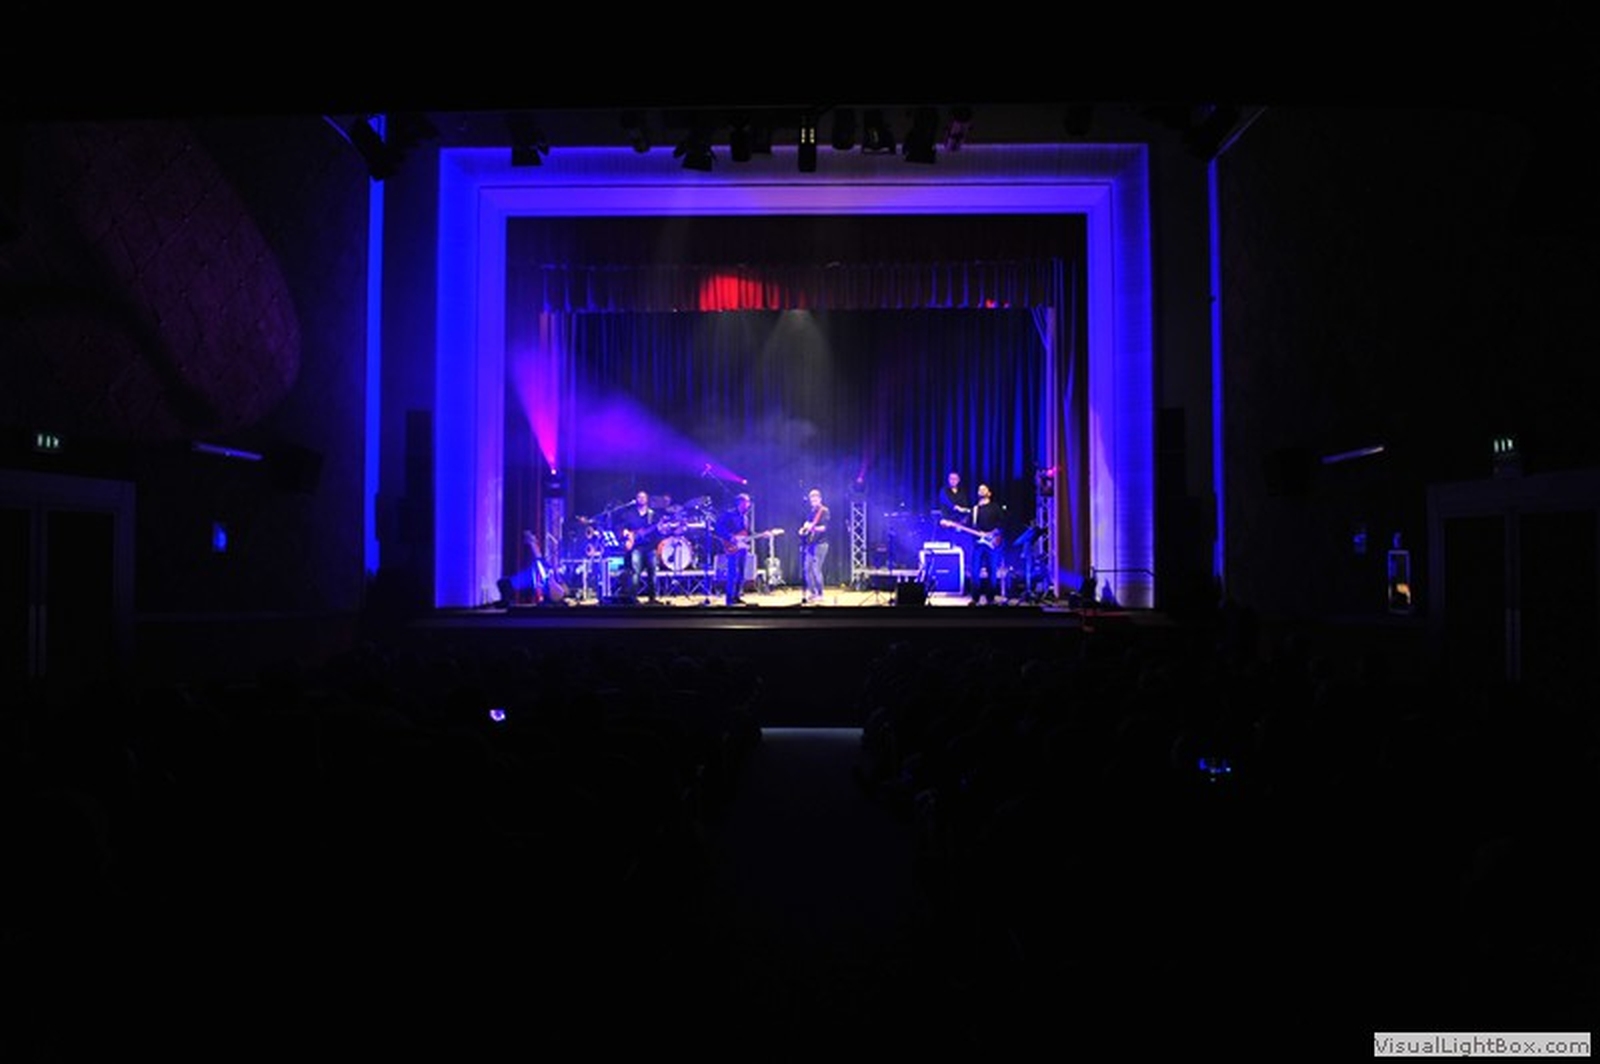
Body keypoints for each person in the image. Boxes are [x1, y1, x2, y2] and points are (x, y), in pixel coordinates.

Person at [496, 530, 568, 607]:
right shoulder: (546, 574)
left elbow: (538, 557)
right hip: (543, 585)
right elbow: (538, 557)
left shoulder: (547, 575)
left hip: (547, 587)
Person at [617, 489, 660, 602]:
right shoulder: (629, 514)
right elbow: (622, 527)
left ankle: (652, 599)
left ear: (647, 499)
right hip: (636, 548)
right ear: (636, 499)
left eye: (643, 497)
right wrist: (626, 532)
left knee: (652, 573)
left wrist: (662, 528)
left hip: (650, 547)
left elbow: (658, 531)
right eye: (639, 497)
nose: (641, 499)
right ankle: (633, 598)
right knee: (635, 573)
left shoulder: (652, 514)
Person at [968, 482, 1004, 605]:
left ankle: (991, 599)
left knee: (992, 571)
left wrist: (992, 533)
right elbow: (969, 525)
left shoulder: (995, 507)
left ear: (989, 493)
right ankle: (975, 598)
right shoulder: (974, 509)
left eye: (984, 489)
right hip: (977, 543)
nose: (981, 490)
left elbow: (1002, 523)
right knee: (974, 571)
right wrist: (955, 526)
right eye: (979, 489)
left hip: (992, 543)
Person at [715, 492, 754, 605]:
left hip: (742, 548)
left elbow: (747, 533)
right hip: (732, 547)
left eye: (748, 502)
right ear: (740, 503)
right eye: (746, 502)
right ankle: (729, 598)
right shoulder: (729, 514)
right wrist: (730, 537)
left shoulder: (745, 518)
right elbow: (719, 527)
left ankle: (737, 596)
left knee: (741, 573)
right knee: (732, 573)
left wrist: (762, 534)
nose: (748, 504)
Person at [798, 487, 830, 604]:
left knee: (816, 569)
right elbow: (807, 524)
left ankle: (820, 594)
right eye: (811, 499)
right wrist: (803, 529)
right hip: (810, 543)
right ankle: (813, 592)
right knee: (807, 569)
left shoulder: (824, 511)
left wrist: (813, 528)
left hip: (821, 544)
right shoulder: (811, 512)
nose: (813, 501)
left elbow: (824, 528)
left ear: (820, 499)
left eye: (815, 498)